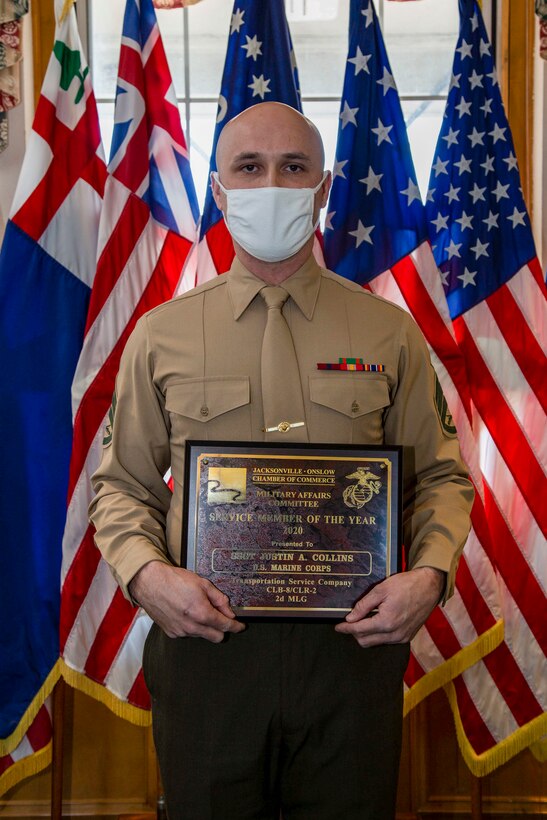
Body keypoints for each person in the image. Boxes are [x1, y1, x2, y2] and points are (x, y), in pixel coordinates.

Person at [90, 102, 474, 820]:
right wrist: (146, 575)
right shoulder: (160, 335)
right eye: (249, 167)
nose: (272, 184)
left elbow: (442, 478)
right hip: (209, 650)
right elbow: (120, 487)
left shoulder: (387, 331)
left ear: (323, 189)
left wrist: (430, 573)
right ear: (218, 189)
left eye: (292, 167)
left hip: (349, 655)